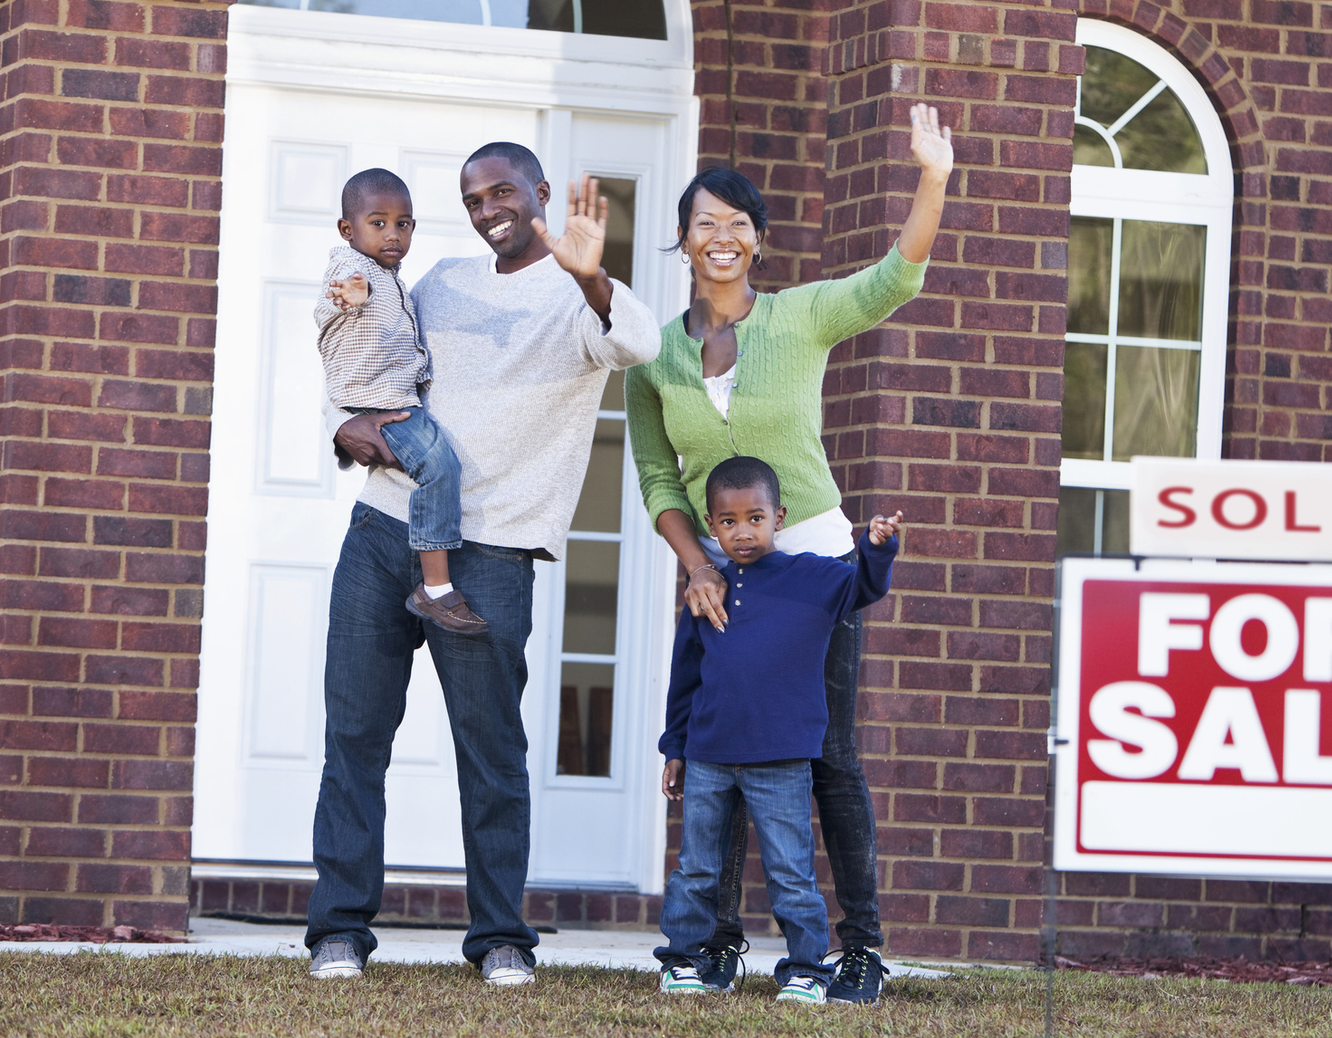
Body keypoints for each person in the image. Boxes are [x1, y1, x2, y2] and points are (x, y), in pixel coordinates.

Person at [305, 143, 660, 985]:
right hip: (385, 534)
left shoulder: (578, 298)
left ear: (539, 192)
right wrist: (347, 432)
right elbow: (372, 363)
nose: (488, 208)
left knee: (491, 751)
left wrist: (592, 277)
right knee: (355, 736)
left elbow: (638, 342)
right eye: (473, 197)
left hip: (492, 553)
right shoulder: (439, 282)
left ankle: (501, 935)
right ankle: (339, 931)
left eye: (503, 191)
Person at [624, 102, 952, 1005]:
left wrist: (933, 177)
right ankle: (719, 945)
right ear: (683, 242)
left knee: (829, 756)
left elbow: (896, 279)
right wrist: (696, 566)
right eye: (705, 224)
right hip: (718, 572)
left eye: (737, 225)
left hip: (809, 565)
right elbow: (658, 477)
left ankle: (860, 950)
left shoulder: (800, 317)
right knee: (719, 748)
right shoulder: (653, 357)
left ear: (757, 242)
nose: (720, 238)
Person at [655, 456, 901, 1004]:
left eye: (755, 517)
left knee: (792, 872)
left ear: (779, 517)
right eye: (727, 521)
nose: (742, 531)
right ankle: (682, 960)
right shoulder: (708, 588)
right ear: (711, 524)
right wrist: (675, 747)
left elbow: (864, 586)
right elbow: (685, 678)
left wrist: (878, 547)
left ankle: (806, 969)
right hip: (711, 756)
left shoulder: (811, 577)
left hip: (783, 759)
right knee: (697, 867)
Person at [315, 168, 485, 636]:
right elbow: (339, 294)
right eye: (379, 223)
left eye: (404, 223)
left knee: (435, 464)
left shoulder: (395, 278)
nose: (393, 234)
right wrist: (351, 293)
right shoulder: (354, 268)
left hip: (389, 401)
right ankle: (435, 589)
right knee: (440, 466)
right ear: (348, 230)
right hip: (379, 404)